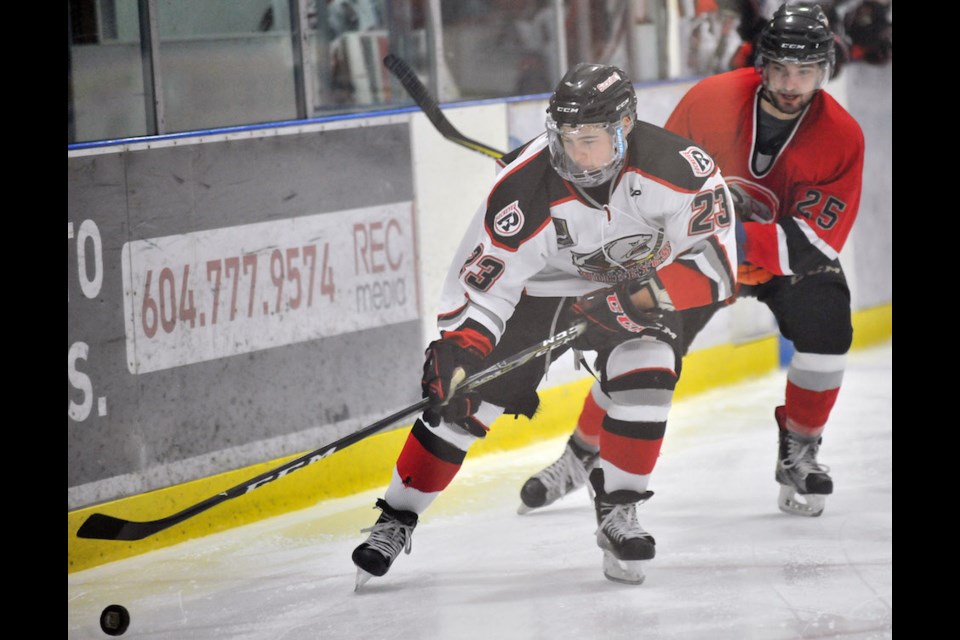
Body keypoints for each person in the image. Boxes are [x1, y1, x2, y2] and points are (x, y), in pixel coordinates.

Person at [350, 62, 738, 588]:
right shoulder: (524, 187)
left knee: (650, 371)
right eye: (564, 139)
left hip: (638, 288)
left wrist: (638, 299)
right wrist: (460, 350)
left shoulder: (679, 168)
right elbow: (487, 287)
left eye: (589, 140)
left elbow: (715, 266)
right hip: (541, 293)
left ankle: (618, 511)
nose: (573, 155)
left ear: (624, 127)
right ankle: (395, 518)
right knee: (466, 400)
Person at [519, 2, 864, 519]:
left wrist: (726, 234)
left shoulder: (842, 137)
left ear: (825, 70)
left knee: (829, 319)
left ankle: (800, 449)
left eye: (807, 70)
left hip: (783, 266)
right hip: (695, 257)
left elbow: (813, 242)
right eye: (782, 69)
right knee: (639, 341)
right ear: (761, 64)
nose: (792, 83)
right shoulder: (709, 102)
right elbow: (652, 189)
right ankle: (579, 456)